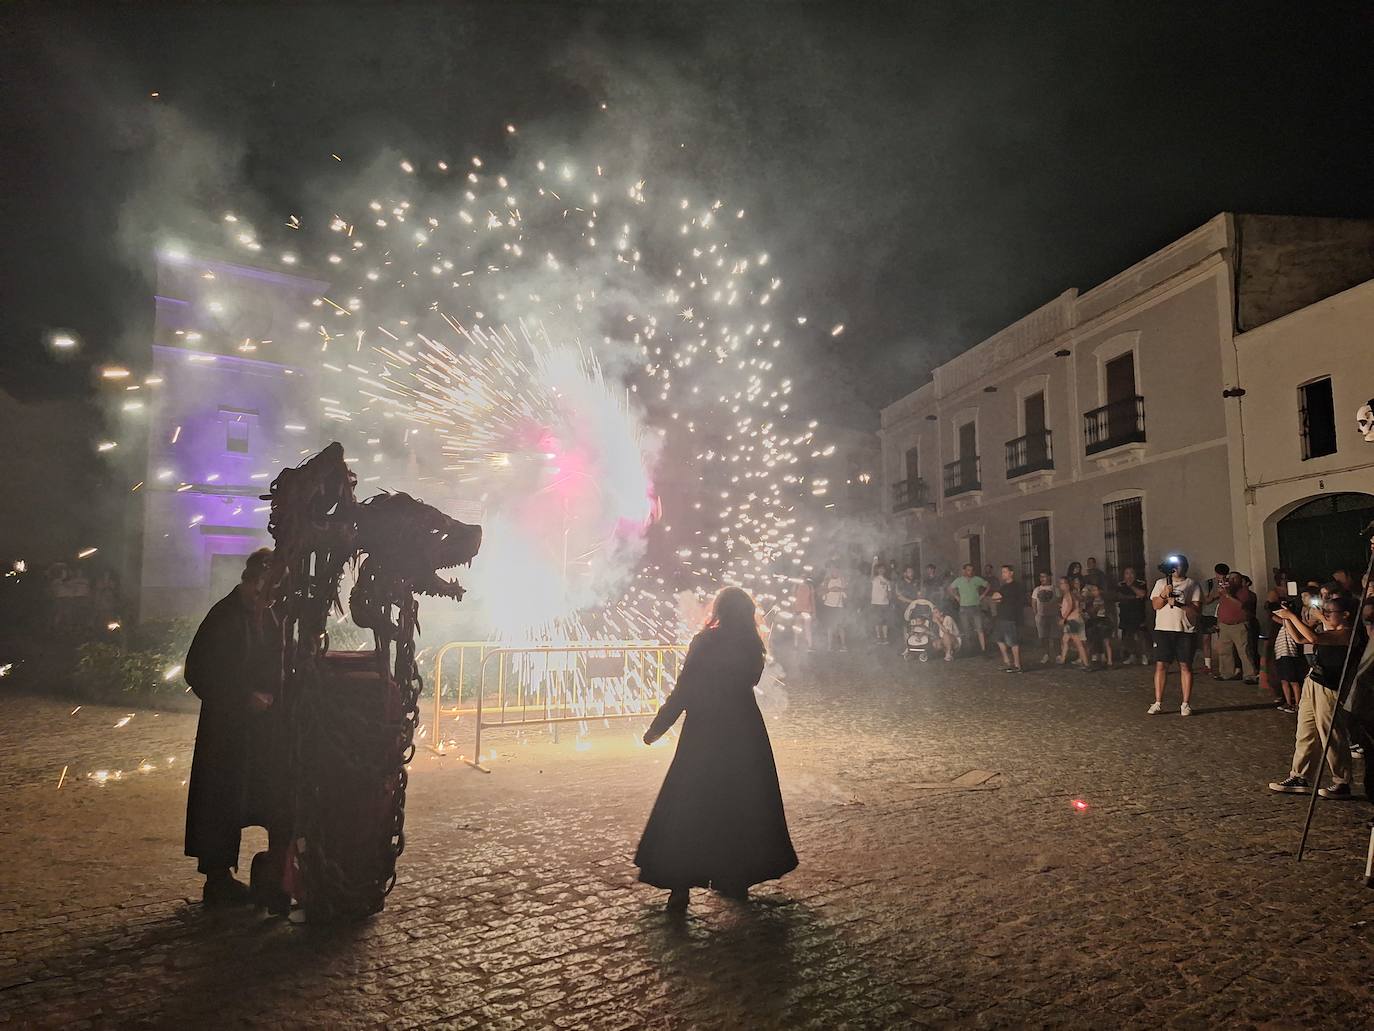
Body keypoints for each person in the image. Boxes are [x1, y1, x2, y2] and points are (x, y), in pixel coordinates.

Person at [636, 587, 797, 910]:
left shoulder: (705, 642)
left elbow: (685, 688)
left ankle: (679, 885)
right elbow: (750, 681)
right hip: (743, 732)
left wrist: (658, 727)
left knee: (691, 804)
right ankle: (735, 878)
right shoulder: (753, 645)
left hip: (705, 730)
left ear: (719, 610)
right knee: (740, 806)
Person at [184, 548, 290, 908]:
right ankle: (217, 879)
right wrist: (242, 697)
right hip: (226, 730)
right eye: (268, 590)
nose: (271, 599)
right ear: (254, 581)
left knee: (266, 795)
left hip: (262, 731)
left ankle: (277, 870)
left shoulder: (271, 614)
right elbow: (198, 671)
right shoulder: (224, 616)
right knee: (221, 799)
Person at [1267, 594, 1363, 798]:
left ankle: (1342, 781)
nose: (1325, 614)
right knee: (1306, 730)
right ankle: (1300, 776)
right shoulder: (1329, 630)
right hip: (1314, 681)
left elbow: (1314, 638)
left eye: (1330, 612)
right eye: (1324, 611)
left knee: (1331, 734)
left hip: (1330, 687)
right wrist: (1286, 618)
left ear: (1346, 615)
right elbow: (1301, 638)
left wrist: (1294, 617)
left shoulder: (1350, 634)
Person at [1148, 556, 1201, 716]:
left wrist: (1179, 604)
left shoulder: (1192, 584)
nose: (1176, 569)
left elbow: (1196, 610)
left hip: (1184, 631)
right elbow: (1156, 605)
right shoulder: (1160, 583)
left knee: (1185, 666)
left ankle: (1185, 703)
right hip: (1163, 630)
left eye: (1179, 566)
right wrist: (1164, 595)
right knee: (1161, 665)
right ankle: (1158, 702)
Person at [1215, 571, 1258, 683]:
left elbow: (1242, 606)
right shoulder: (1224, 592)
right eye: (1229, 578)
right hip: (1225, 626)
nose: (1231, 580)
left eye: (1235, 578)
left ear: (1240, 580)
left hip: (1239, 625)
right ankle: (1226, 673)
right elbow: (1220, 606)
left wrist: (1228, 596)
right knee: (1224, 651)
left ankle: (1250, 675)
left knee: (1245, 651)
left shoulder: (1245, 592)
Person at [1271, 592, 1304, 714]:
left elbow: (1274, 617)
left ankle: (1297, 704)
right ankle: (1288, 703)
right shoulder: (1285, 623)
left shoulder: (1292, 621)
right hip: (1281, 654)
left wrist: (1284, 612)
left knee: (1293, 680)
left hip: (1289, 654)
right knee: (1284, 680)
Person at [990, 565, 1025, 673]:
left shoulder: (1016, 586)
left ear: (1011, 573)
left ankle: (1017, 665)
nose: (1003, 574)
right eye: (1002, 572)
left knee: (1012, 641)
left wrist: (999, 598)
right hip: (1001, 616)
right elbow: (995, 597)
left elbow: (999, 597)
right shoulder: (1004, 587)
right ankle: (1007, 662)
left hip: (1010, 617)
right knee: (999, 639)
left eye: (1005, 572)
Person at [948, 563, 989, 654]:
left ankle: (983, 649)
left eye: (971, 570)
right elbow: (950, 588)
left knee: (979, 628)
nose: (970, 572)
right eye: (968, 570)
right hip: (964, 608)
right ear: (964, 571)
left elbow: (987, 585)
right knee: (966, 629)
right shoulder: (959, 580)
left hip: (975, 607)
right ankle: (969, 650)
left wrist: (983, 595)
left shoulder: (977, 579)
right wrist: (956, 596)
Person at [1199, 563, 1230, 675]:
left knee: (1224, 640)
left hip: (1223, 613)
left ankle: (1225, 665)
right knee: (1206, 639)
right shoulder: (1208, 583)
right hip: (1209, 614)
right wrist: (1218, 593)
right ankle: (1208, 665)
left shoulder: (1230, 584)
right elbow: (1206, 600)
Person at [1116, 567, 1150, 665]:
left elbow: (1142, 594)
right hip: (1125, 614)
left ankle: (1144, 655)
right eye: (1127, 573)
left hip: (1138, 614)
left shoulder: (1141, 583)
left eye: (1131, 573)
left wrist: (1131, 586)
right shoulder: (1120, 585)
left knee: (1141, 635)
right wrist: (1134, 597)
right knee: (1127, 636)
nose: (1129, 576)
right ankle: (1132, 655)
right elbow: (1119, 596)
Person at [1057, 576, 1091, 670]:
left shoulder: (1069, 594)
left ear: (1067, 584)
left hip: (1072, 621)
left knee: (1078, 643)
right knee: (1065, 639)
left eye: (1062, 583)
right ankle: (1062, 660)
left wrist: (1063, 618)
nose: (1060, 586)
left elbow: (1070, 606)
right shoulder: (1073, 594)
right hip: (1075, 620)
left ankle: (1086, 664)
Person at [1083, 583, 1114, 668]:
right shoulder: (1091, 600)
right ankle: (1100, 658)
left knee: (1105, 642)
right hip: (1097, 621)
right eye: (1092, 590)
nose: (1093, 592)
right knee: (1096, 641)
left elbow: (1094, 611)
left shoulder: (1100, 600)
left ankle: (1109, 661)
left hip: (1102, 621)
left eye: (1095, 590)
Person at [1031, 572, 1059, 665]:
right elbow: (1034, 602)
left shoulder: (1055, 589)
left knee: (1055, 636)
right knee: (1043, 637)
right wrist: (1036, 614)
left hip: (1053, 615)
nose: (1042, 578)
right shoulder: (1037, 589)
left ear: (1049, 577)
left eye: (1044, 576)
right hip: (1041, 616)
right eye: (1041, 576)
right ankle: (1046, 654)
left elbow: (1060, 601)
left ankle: (1058, 654)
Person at [820, 566, 847, 651]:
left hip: (839, 606)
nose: (835, 572)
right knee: (830, 627)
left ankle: (843, 645)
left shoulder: (842, 580)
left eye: (837, 570)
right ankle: (829, 646)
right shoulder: (827, 580)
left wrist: (839, 588)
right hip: (829, 605)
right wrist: (830, 589)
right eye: (833, 570)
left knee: (840, 626)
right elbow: (821, 592)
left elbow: (846, 591)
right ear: (831, 572)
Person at [870, 560, 893, 644]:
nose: (881, 570)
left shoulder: (887, 581)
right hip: (876, 603)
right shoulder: (874, 579)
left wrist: (889, 600)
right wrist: (873, 566)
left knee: (884, 622)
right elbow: (871, 576)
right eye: (879, 569)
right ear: (877, 570)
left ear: (885, 570)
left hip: (885, 604)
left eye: (883, 569)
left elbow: (889, 592)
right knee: (877, 621)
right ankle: (878, 637)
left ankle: (885, 638)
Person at [792, 576, 815, 651]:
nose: (803, 578)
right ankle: (796, 645)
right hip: (798, 610)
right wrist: (793, 609)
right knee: (797, 628)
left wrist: (814, 611)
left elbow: (812, 599)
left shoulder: (810, 586)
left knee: (807, 629)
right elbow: (793, 597)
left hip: (807, 610)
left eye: (804, 577)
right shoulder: (796, 586)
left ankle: (809, 646)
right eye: (801, 576)